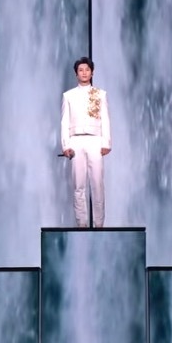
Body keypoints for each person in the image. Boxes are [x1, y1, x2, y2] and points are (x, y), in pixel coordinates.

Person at [60, 56, 111, 227]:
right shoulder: (68, 96)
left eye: (87, 70)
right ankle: (81, 224)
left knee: (97, 184)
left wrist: (106, 143)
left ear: (92, 72)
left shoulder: (100, 94)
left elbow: (105, 119)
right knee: (78, 185)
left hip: (95, 140)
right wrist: (66, 145)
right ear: (76, 73)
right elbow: (64, 121)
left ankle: (99, 224)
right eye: (80, 70)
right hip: (76, 141)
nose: (84, 73)